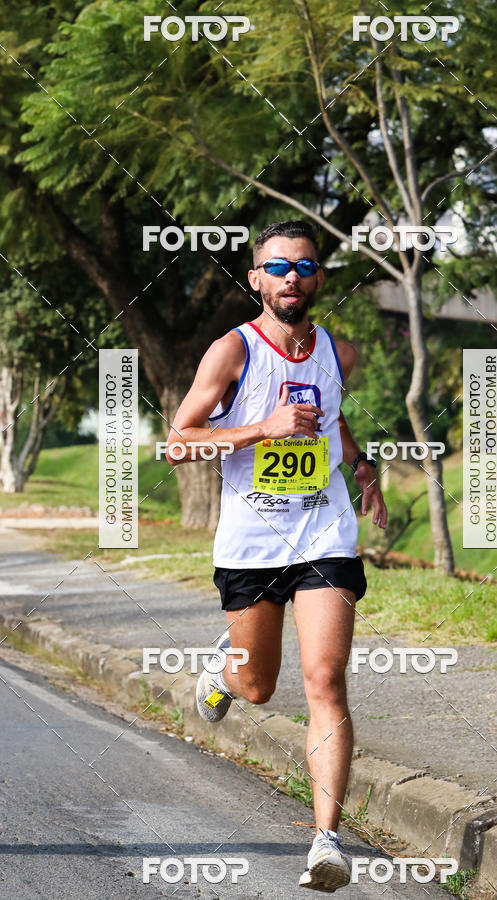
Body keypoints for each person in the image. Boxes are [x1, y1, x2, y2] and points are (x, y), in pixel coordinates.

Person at [166, 220, 387, 892]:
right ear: (257, 278)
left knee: (325, 680)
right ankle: (222, 675)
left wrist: (363, 465)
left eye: (305, 266)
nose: (292, 278)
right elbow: (179, 443)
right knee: (259, 685)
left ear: (319, 278)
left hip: (324, 534)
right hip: (252, 543)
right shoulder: (232, 352)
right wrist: (262, 427)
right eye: (278, 267)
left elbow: (334, 413)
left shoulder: (337, 352)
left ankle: (326, 842)